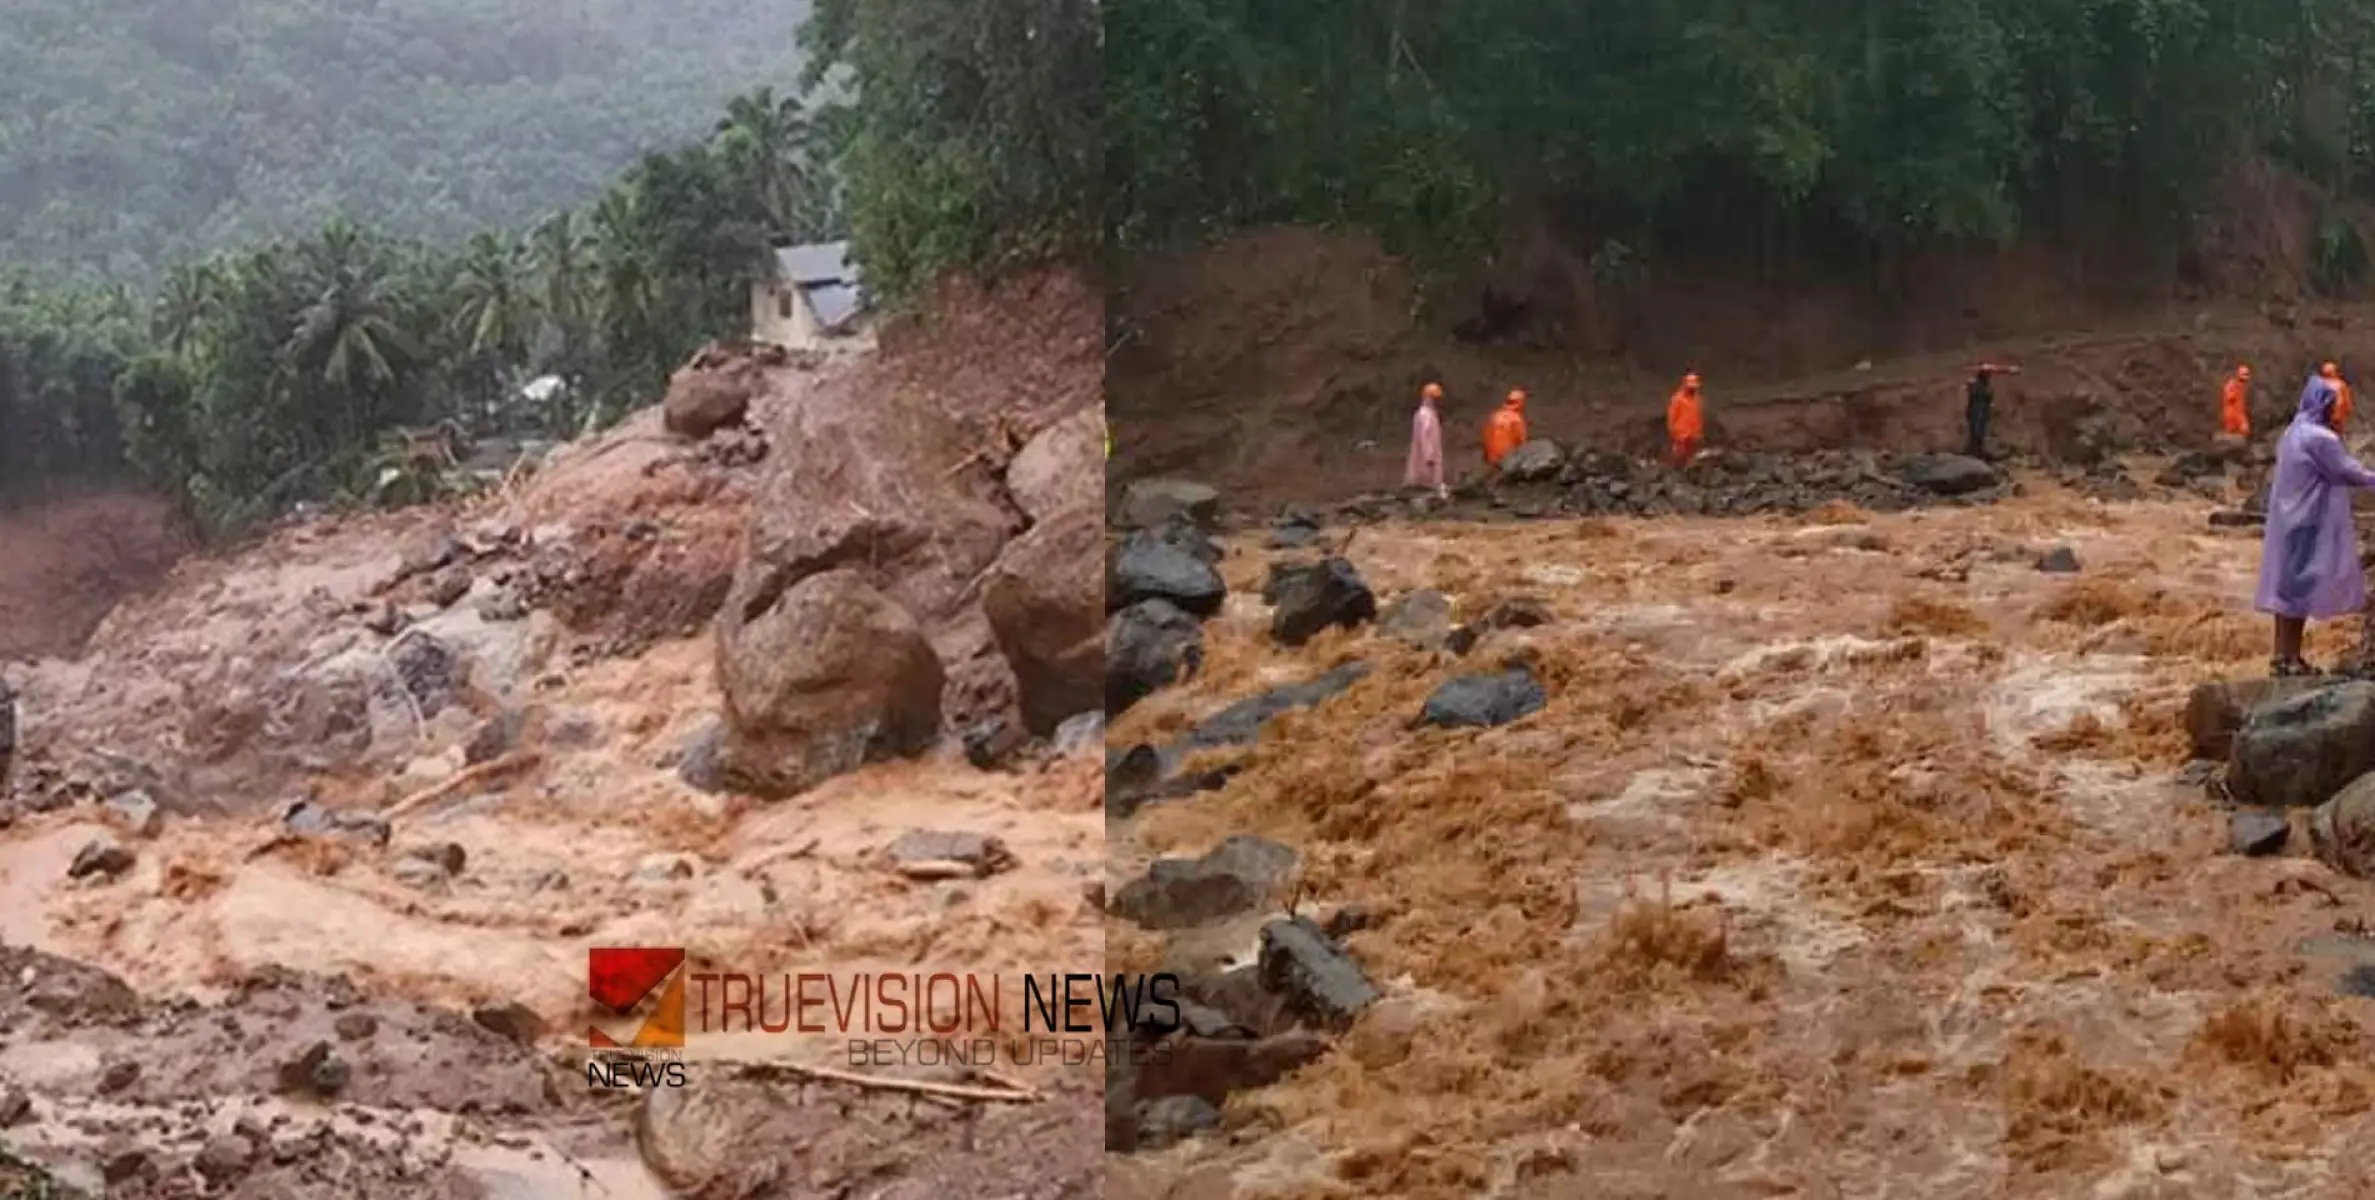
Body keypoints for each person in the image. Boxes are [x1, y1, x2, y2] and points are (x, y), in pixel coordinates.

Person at [2256, 375, 2375, 676]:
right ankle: (2291, 659)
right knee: (2298, 594)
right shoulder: (2320, 439)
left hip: (2288, 521)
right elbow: (2349, 472)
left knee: (2286, 594)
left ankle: (2282, 657)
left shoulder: (2294, 432)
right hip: (2307, 522)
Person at [1964, 362, 2021, 458]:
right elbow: (1990, 369)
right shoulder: (1976, 383)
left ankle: (1979, 451)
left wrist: (2008, 370)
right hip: (1977, 409)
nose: (1989, 376)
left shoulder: (1982, 385)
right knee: (1977, 431)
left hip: (1982, 409)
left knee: (1982, 430)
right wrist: (2009, 369)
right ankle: (1976, 451)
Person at [1405, 382, 1448, 496]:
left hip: (1427, 456)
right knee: (1426, 483)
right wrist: (1429, 456)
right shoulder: (1426, 415)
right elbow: (1425, 437)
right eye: (1436, 398)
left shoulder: (1427, 414)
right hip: (1427, 458)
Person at [1483, 389, 1528, 470]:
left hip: (1492, 459)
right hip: (1508, 461)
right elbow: (1521, 442)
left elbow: (1487, 437)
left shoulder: (1495, 416)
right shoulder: (1516, 419)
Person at [1667, 372, 1706, 466]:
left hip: (1693, 434)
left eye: (1694, 387)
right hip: (1681, 434)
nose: (1692, 389)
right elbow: (1672, 415)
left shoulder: (1697, 399)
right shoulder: (1678, 399)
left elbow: (1698, 416)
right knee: (1679, 455)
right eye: (1690, 387)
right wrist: (1673, 430)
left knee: (1692, 456)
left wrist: (1699, 432)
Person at [2221, 364, 2252, 439]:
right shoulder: (2231, 385)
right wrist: (2235, 391)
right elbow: (2229, 398)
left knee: (2245, 430)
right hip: (2231, 412)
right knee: (2231, 432)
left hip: (2239, 412)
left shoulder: (2241, 386)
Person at [2325, 361, 2354, 428]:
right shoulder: (2341, 385)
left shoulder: (2320, 384)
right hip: (2337, 417)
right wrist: (2348, 410)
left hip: (2321, 417)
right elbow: (2347, 402)